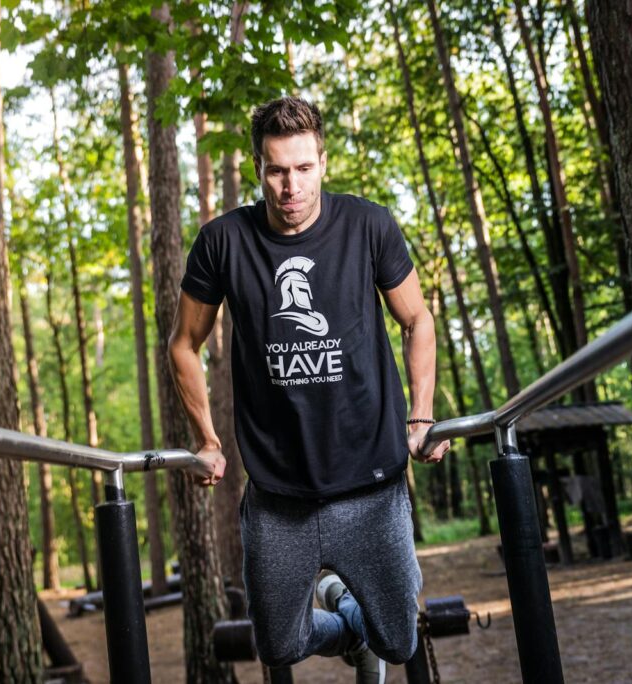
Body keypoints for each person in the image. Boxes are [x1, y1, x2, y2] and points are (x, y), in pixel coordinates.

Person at [169, 96, 448, 683]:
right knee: (278, 643)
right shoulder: (223, 242)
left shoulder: (368, 225)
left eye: (301, 168)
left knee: (398, 640)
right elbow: (182, 345)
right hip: (278, 493)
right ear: (257, 169)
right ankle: (348, 627)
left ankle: (362, 624)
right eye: (275, 170)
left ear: (323, 162)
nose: (289, 186)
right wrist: (207, 439)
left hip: (371, 483)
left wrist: (421, 416)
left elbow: (418, 319)